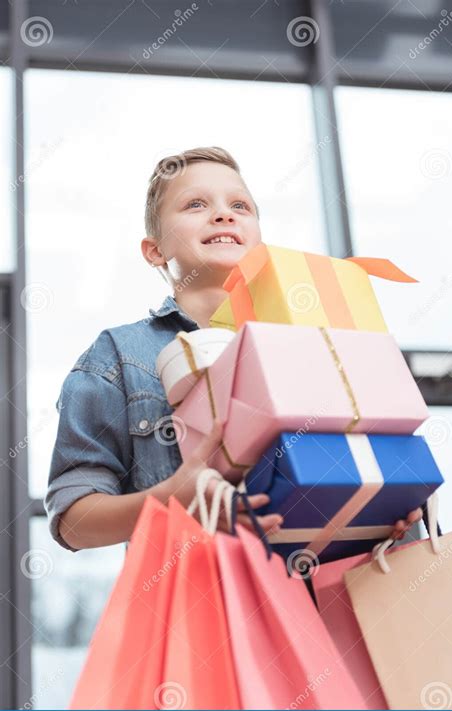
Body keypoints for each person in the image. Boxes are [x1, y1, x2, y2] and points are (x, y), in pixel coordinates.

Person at [44, 146, 421, 553]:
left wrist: (379, 507)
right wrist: (174, 498)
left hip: (315, 600)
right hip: (196, 601)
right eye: (195, 205)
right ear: (155, 251)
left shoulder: (316, 343)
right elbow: (73, 522)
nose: (224, 214)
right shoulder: (120, 354)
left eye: (239, 205)